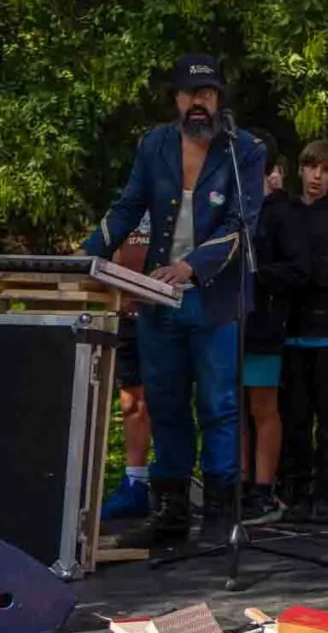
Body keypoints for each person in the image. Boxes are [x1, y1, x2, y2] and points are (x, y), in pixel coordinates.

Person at [78, 53, 265, 547]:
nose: (197, 103)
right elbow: (127, 208)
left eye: (205, 94)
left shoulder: (243, 149)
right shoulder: (154, 145)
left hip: (215, 298)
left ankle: (222, 514)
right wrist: (82, 259)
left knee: (220, 405)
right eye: (188, 94)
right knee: (165, 403)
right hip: (157, 298)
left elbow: (240, 227)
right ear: (176, 99)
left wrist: (191, 266)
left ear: (218, 98)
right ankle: (171, 512)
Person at [279, 141, 328, 525]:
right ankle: (295, 489)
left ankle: (325, 490)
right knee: (294, 416)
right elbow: (273, 266)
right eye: (312, 168)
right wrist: (298, 272)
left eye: (325, 171)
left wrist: (298, 271)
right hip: (292, 329)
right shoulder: (285, 211)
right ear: (301, 169)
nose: (316, 177)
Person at [240, 129, 308, 525]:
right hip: (225, 321)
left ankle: (264, 490)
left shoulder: (281, 212)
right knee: (230, 407)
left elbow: (298, 270)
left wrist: (257, 275)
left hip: (264, 319)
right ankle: (235, 486)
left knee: (262, 405)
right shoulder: (229, 204)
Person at [100, 214, 154, 520]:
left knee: (166, 399)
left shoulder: (180, 200)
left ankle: (174, 485)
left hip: (165, 317)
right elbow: (108, 255)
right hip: (127, 318)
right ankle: (135, 483)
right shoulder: (124, 209)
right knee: (132, 403)